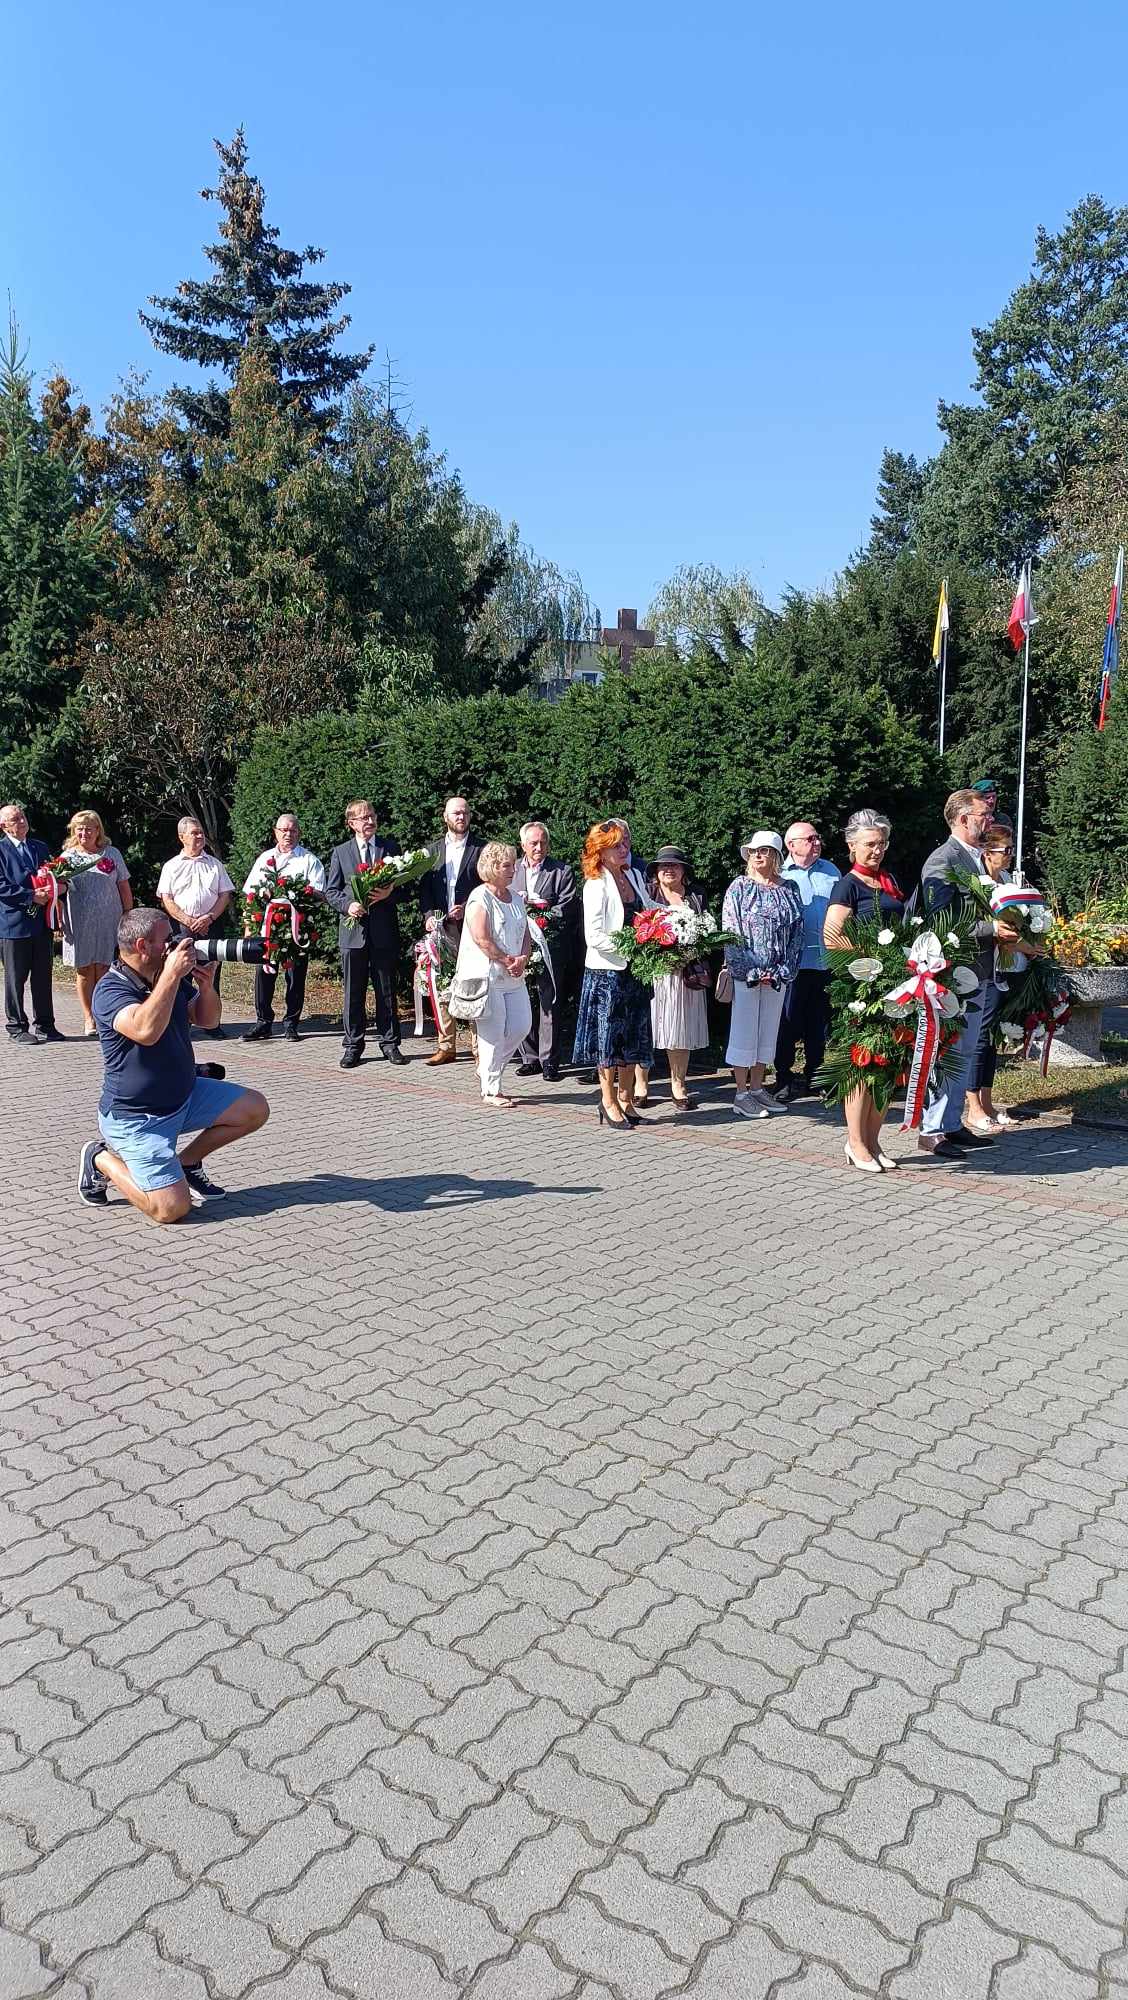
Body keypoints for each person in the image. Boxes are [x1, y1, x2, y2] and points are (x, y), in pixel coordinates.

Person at [78, 907, 268, 1223]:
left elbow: (208, 1020)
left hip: (184, 1097)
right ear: (142, 946)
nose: (177, 943)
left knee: (254, 1108)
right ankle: (100, 1158)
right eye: (167, 939)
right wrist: (171, 975)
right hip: (137, 1117)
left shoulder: (166, 976)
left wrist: (206, 987)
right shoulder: (110, 990)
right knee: (171, 1209)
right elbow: (145, 1031)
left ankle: (187, 1163)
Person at [917, 788, 1022, 1162]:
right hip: (953, 974)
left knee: (966, 1050)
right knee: (948, 1051)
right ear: (963, 819)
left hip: (981, 970)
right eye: (983, 816)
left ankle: (951, 1123)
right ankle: (931, 1130)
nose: (989, 821)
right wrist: (991, 929)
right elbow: (941, 920)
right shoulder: (943, 860)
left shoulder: (977, 859)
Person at [823, 809, 906, 1171]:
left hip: (894, 986)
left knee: (887, 1064)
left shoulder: (888, 881)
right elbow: (831, 937)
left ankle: (873, 1141)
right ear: (851, 846)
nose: (877, 850)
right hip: (862, 989)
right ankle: (855, 1142)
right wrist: (872, 957)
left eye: (882, 843)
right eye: (870, 843)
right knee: (862, 1064)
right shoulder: (848, 885)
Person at [573, 821, 656, 1130]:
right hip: (607, 973)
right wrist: (632, 946)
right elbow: (594, 936)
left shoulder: (632, 875)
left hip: (635, 972)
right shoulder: (595, 883)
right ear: (601, 850)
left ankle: (626, 1099)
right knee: (609, 1039)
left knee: (633, 1037)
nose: (624, 849)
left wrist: (678, 918)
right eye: (616, 845)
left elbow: (648, 910)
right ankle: (607, 1101)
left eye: (626, 843)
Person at [722, 833, 803, 1119]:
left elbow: (796, 933)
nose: (758, 855)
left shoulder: (789, 888)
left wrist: (783, 970)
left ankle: (757, 1089)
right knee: (744, 1032)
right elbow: (731, 931)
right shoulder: (739, 887)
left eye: (765, 850)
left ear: (776, 856)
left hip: (777, 975)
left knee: (767, 1033)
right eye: (754, 850)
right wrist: (750, 970)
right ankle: (741, 1094)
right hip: (747, 974)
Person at [325, 801, 407, 1071]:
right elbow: (331, 891)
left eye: (371, 816)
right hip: (353, 934)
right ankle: (353, 1045)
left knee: (386, 989)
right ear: (352, 823)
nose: (369, 821)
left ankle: (390, 1043)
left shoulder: (390, 849)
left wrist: (389, 893)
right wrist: (348, 905)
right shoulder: (341, 852)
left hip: (383, 931)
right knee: (353, 992)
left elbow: (405, 889)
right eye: (363, 818)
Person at [964, 823, 1034, 1133]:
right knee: (980, 1036)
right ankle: (973, 1107)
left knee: (993, 1037)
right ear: (986, 852)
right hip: (982, 968)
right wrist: (1020, 943)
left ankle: (988, 1102)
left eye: (1011, 850)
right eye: (1005, 850)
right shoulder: (978, 884)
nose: (1009, 855)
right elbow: (980, 928)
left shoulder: (1005, 881)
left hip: (1005, 968)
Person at [455, 843, 534, 1107]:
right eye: (507, 865)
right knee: (493, 1033)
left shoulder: (516, 898)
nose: (513, 870)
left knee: (521, 1026)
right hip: (488, 976)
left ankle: (488, 1068)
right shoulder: (480, 897)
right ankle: (491, 1090)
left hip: (514, 975)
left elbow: (526, 933)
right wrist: (506, 959)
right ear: (492, 867)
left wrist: (522, 958)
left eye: (513, 865)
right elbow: (481, 938)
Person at [242, 812, 328, 1044]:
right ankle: (263, 1022)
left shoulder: (309, 860)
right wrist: (249, 925)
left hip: (296, 925)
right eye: (283, 830)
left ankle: (291, 1023)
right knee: (264, 973)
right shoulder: (265, 858)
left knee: (295, 975)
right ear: (276, 832)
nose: (287, 834)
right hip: (267, 925)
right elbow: (250, 894)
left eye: (292, 830)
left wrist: (299, 893)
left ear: (299, 832)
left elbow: (320, 894)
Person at [771, 821, 840, 1102]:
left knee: (818, 1024)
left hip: (824, 960)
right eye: (810, 839)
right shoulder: (779, 874)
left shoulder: (831, 870)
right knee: (787, 1023)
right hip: (792, 964)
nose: (817, 842)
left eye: (817, 837)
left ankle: (815, 1076)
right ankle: (784, 1078)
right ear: (791, 845)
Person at [156, 818, 235, 1041]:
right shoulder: (171, 866)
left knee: (210, 973)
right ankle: (181, 1022)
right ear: (182, 837)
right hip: (181, 926)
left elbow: (225, 895)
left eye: (201, 832)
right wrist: (188, 920)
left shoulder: (215, 864)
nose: (200, 836)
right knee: (180, 974)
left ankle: (211, 1023)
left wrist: (209, 917)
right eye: (194, 833)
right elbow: (167, 899)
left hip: (211, 925)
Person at [419, 797, 483, 1067]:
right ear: (445, 817)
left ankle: (479, 1049)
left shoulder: (482, 848)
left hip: (472, 928)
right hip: (440, 928)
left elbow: (489, 886)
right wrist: (428, 917)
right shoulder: (431, 852)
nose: (461, 817)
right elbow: (424, 891)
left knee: (474, 984)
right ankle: (446, 1046)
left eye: (465, 812)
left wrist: (468, 907)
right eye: (456, 813)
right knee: (441, 985)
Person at [513, 820, 577, 1082]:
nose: (539, 847)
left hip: (550, 948)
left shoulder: (562, 871)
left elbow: (567, 906)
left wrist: (541, 915)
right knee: (522, 1000)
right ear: (523, 845)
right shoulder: (511, 869)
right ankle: (529, 1058)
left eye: (543, 842)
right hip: (518, 948)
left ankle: (549, 1060)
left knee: (549, 1003)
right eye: (533, 843)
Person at [60, 810, 133, 1037]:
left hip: (109, 920)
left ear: (98, 830)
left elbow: (123, 885)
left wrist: (128, 914)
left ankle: (103, 1014)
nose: (84, 833)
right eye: (79, 829)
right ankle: (88, 1017)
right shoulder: (67, 857)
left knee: (104, 967)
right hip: (79, 921)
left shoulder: (111, 853)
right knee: (84, 969)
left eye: (89, 829)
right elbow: (58, 891)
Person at [647, 845, 709, 1111]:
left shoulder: (696, 896)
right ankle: (640, 1084)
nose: (668, 869)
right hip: (654, 973)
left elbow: (706, 933)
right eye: (663, 866)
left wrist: (690, 951)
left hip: (686, 974)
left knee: (681, 1030)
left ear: (684, 870)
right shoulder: (648, 894)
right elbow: (638, 930)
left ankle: (678, 1084)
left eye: (674, 865)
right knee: (648, 1027)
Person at [0, 801, 61, 1044]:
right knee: (16, 979)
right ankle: (16, 1027)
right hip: (14, 925)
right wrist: (30, 896)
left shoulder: (39, 847)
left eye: (23, 816)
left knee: (43, 977)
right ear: (4, 826)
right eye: (15, 819)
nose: (22, 821)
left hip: (41, 924)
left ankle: (45, 1025)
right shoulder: (1, 850)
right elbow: (1, 886)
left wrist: (59, 888)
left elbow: (55, 874)